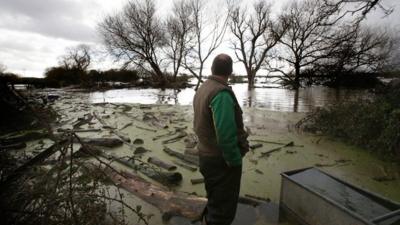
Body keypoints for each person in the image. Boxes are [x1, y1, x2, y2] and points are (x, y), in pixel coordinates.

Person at [193, 53, 249, 225]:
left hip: (206, 156)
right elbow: (225, 137)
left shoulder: (203, 88)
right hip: (221, 162)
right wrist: (234, 160)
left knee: (214, 199)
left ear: (212, 69)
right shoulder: (221, 94)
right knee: (222, 212)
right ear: (230, 71)